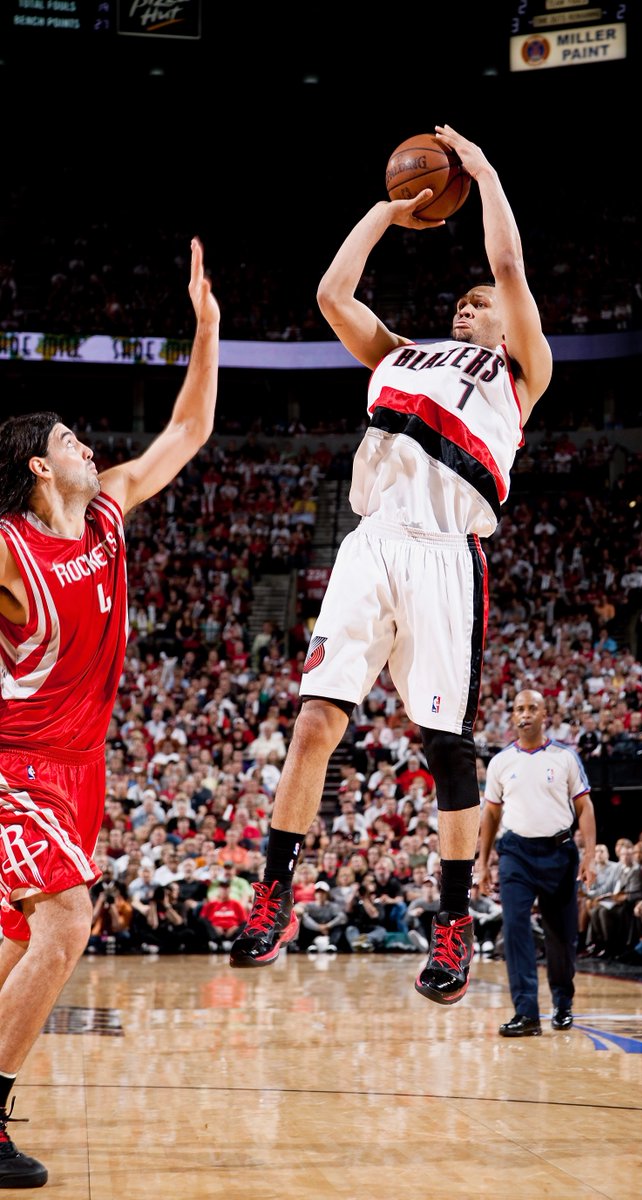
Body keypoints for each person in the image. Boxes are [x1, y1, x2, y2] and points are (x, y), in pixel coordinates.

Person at [229, 124, 553, 1011]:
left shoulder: (519, 371)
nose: (468, 305)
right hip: (371, 542)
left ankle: (454, 922)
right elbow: (333, 294)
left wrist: (483, 174)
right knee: (313, 725)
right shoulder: (402, 354)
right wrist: (386, 209)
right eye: (461, 299)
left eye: (477, 302)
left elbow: (514, 272)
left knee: (446, 748)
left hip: (448, 555)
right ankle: (275, 893)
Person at [0, 237, 219, 1187]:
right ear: (39, 471)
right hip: (14, 768)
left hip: (82, 771)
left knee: (15, 947)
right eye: (67, 442)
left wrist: (207, 330)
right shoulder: (9, 549)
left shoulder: (108, 514)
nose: (89, 447)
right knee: (65, 925)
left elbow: (186, 433)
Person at [476, 690, 596, 1037]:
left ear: (545, 714)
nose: (524, 714)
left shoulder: (565, 758)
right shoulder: (500, 762)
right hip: (516, 854)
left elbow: (585, 807)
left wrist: (589, 856)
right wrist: (483, 863)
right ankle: (526, 1012)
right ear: (512, 717)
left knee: (561, 937)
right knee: (514, 926)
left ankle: (562, 1001)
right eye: (518, 709)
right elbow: (492, 813)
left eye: (531, 708)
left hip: (559, 853)